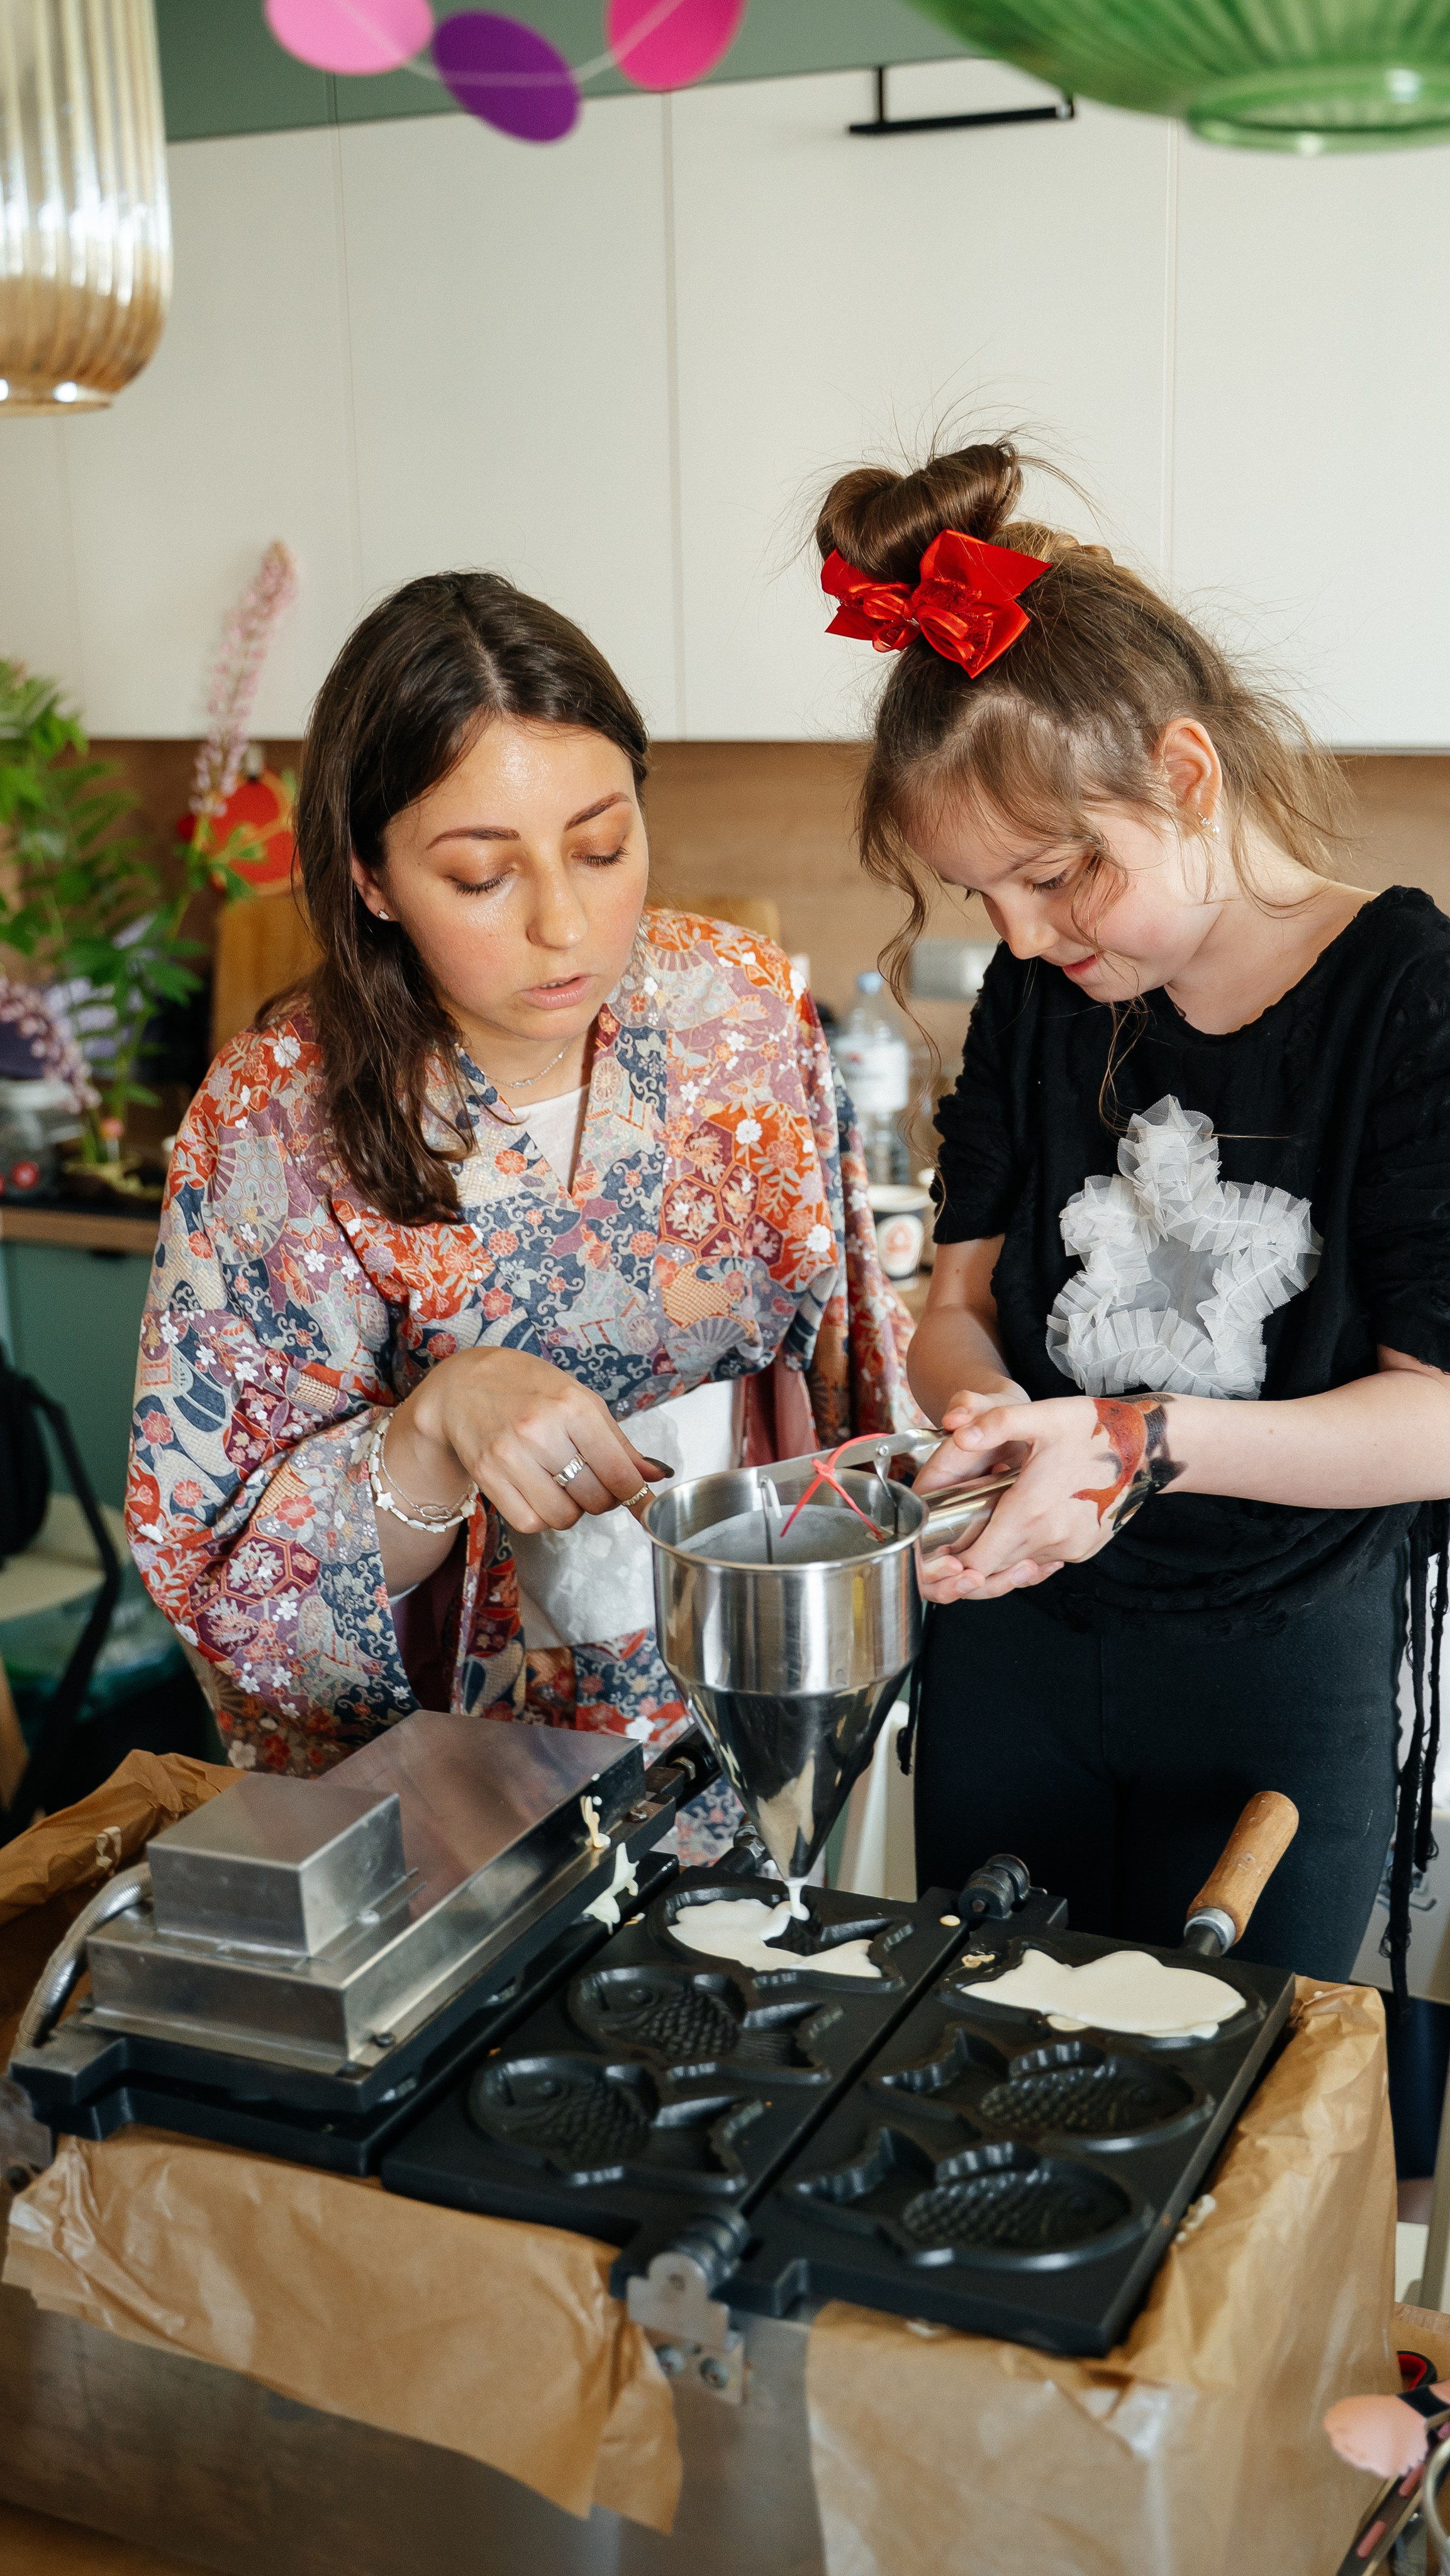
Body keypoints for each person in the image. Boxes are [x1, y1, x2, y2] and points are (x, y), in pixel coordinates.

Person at [126, 571, 917, 1862]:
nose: (566, 921)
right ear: (372, 878)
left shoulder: (744, 1012)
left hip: (769, 1691)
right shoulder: (274, 1119)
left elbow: (846, 1377)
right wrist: (429, 1435)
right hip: (464, 1772)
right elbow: (230, 1580)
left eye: (603, 847)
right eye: (482, 875)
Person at [813, 438, 1450, 1985]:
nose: (1026, 935)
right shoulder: (1045, 995)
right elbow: (956, 1309)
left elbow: (1436, 1416)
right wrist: (985, 1431)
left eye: (1058, 874)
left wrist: (1133, 1441)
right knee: (979, 2088)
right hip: (1016, 1650)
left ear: (1183, 774)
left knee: (1226, 2128)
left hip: (1276, 1667)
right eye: (983, 898)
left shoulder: (1402, 995)